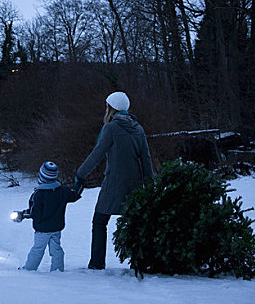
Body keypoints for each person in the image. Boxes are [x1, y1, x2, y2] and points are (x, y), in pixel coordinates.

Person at [75, 91, 154, 270]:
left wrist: (80, 174)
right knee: (135, 223)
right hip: (135, 184)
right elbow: (146, 159)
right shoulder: (138, 128)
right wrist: (150, 185)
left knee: (99, 221)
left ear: (111, 108)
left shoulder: (111, 128)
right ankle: (139, 262)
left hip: (114, 184)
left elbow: (97, 154)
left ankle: (97, 263)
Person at [16, 161, 82, 272]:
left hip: (42, 230)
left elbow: (34, 212)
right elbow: (75, 195)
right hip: (56, 228)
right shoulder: (62, 191)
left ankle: (29, 269)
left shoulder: (39, 194)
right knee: (56, 249)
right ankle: (57, 270)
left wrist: (22, 214)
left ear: (41, 177)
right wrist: (80, 183)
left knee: (38, 249)